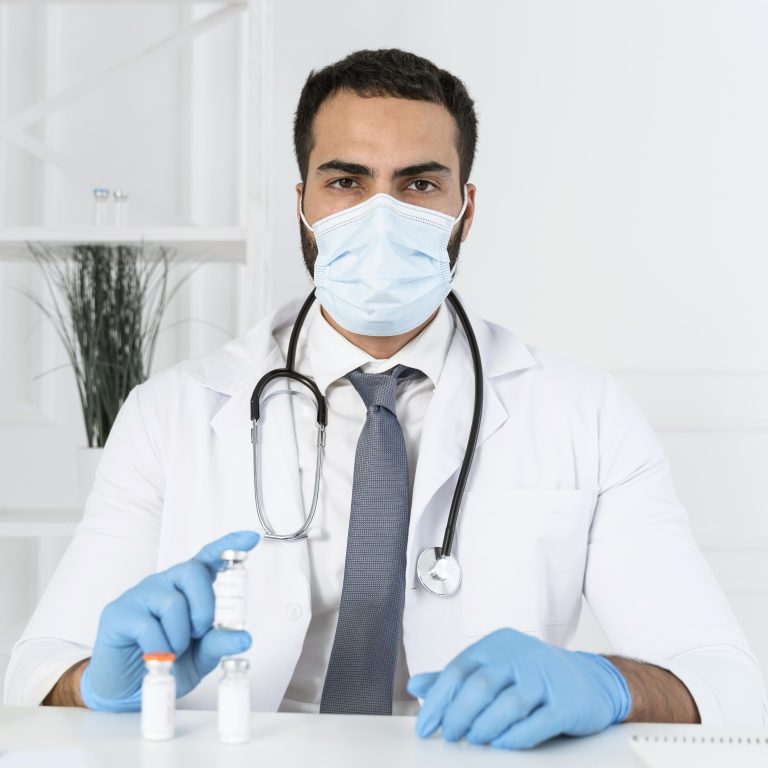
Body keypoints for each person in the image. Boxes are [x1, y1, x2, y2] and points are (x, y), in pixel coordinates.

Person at [5, 48, 767, 750]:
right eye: (346, 181)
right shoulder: (169, 414)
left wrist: (607, 683)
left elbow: (727, 684)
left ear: (465, 209)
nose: (381, 214)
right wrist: (102, 684)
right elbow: (38, 671)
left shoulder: (586, 416)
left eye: (418, 184)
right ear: (301, 200)